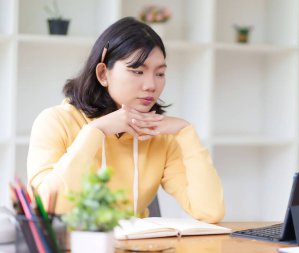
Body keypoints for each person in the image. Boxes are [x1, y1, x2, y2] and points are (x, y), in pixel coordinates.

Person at [27, 17, 224, 223]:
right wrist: (95, 131)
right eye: (137, 71)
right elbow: (47, 207)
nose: (151, 85)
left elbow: (209, 211)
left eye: (160, 73)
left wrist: (186, 132)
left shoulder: (160, 135)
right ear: (103, 74)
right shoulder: (54, 122)